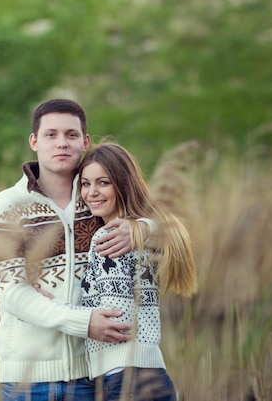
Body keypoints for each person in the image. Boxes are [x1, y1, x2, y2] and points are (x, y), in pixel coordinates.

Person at [0, 99, 151, 401]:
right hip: (29, 379)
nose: (62, 143)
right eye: (51, 135)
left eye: (71, 135)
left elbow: (173, 228)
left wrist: (142, 228)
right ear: (34, 141)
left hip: (94, 375)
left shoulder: (99, 196)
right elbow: (10, 292)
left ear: (85, 141)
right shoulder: (6, 206)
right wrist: (84, 323)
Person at [78, 141, 198, 401]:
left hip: (125, 379)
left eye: (103, 182)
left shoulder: (111, 236)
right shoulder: (138, 232)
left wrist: (53, 309)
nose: (92, 193)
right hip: (151, 376)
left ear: (123, 184)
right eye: (86, 184)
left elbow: (114, 321)